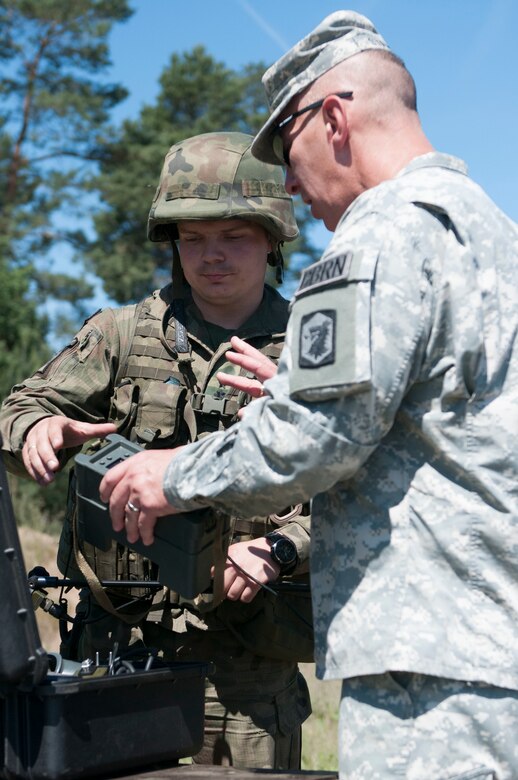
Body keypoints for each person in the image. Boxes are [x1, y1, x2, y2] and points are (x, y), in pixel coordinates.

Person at [96, 11, 518, 780]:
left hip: (425, 661)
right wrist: (293, 395)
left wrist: (171, 472)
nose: (288, 182)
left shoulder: (380, 233)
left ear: (333, 119)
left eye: (287, 151)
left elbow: (316, 438)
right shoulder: (492, 231)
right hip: (490, 642)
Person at [0, 131, 313, 770]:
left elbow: (372, 488)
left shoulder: (316, 349)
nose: (211, 256)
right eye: (192, 239)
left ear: (272, 240)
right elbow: (19, 407)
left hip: (246, 681)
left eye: (234, 236)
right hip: (115, 663)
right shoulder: (120, 335)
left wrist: (283, 546)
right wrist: (37, 432)